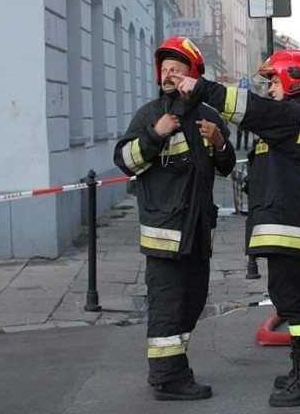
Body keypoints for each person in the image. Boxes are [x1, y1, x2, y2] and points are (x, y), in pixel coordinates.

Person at [171, 49, 300, 408]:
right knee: (293, 296)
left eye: (273, 80)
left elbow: (248, 109)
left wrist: (200, 88)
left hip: (287, 224)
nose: (270, 88)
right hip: (288, 221)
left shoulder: (293, 114)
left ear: (292, 79)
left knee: (295, 300)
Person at [113, 37, 236, 401]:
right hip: (164, 234)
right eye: (164, 69)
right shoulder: (150, 115)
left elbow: (227, 167)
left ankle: (175, 366)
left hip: (198, 232)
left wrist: (218, 143)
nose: (168, 74)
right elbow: (125, 162)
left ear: (192, 75)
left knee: (193, 301)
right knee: (167, 307)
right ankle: (167, 379)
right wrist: (155, 135)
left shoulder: (208, 117)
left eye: (176, 69)